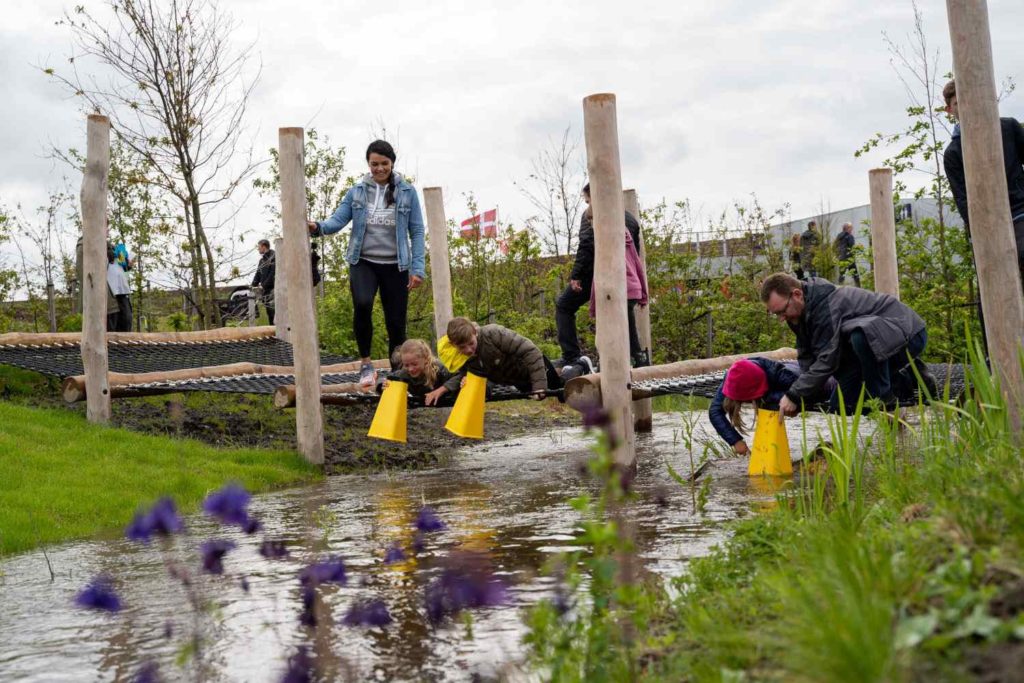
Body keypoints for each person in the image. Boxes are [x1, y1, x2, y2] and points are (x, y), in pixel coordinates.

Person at [308, 140, 426, 387]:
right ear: (368, 164)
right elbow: (337, 221)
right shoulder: (357, 192)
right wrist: (317, 227)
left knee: (395, 321)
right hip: (364, 262)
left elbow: (416, 231)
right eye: (374, 164)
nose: (379, 168)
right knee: (362, 304)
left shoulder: (407, 192)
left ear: (392, 163)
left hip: (396, 265)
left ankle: (397, 373)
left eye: (384, 163)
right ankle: (366, 364)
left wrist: (417, 268)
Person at [760, 273, 937, 415]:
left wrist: (794, 394)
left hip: (909, 335)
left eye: (782, 311)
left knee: (861, 335)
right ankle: (902, 379)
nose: (781, 318)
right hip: (870, 347)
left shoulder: (827, 305)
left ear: (797, 294)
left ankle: (888, 395)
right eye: (776, 314)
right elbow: (807, 356)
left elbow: (828, 360)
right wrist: (803, 397)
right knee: (842, 406)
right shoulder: (798, 311)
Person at [942, 78, 1024, 305]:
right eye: (959, 103)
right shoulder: (954, 153)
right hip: (987, 226)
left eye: (971, 98)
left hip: (1020, 212)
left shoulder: (1008, 128)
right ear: (949, 110)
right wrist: (981, 236)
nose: (967, 105)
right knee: (990, 296)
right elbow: (963, 200)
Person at [555, 182, 644, 378]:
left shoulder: (592, 215)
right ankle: (636, 356)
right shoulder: (630, 219)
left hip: (596, 275)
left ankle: (571, 356)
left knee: (564, 305)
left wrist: (576, 275)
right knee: (624, 313)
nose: (587, 205)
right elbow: (635, 256)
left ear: (595, 197)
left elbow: (586, 245)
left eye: (588, 200)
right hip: (624, 278)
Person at [429, 317, 569, 404]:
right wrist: (465, 380)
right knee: (536, 394)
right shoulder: (461, 358)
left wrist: (539, 386)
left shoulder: (493, 334)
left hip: (532, 366)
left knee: (560, 390)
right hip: (517, 381)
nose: (468, 350)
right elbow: (476, 374)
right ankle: (562, 369)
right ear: (454, 345)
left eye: (471, 343)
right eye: (462, 347)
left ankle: (578, 366)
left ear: (474, 332)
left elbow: (530, 351)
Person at [576, 219, 648, 380]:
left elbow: (598, 279)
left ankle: (626, 361)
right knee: (626, 327)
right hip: (633, 288)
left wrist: (594, 307)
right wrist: (643, 294)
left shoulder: (604, 242)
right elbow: (637, 264)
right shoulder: (626, 237)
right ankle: (637, 358)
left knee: (613, 330)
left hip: (619, 291)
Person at [709, 358, 798, 455]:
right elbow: (715, 411)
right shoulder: (733, 376)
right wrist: (735, 441)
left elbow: (803, 392)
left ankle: (774, 454)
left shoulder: (783, 376)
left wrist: (791, 402)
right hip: (766, 379)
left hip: (801, 373)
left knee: (771, 403)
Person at [382, 339, 453, 405]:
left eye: (414, 364)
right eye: (406, 365)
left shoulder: (437, 368)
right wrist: (384, 385)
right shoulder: (404, 373)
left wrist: (440, 391)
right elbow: (385, 378)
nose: (410, 369)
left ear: (425, 358)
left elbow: (458, 376)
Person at [106, 243, 132, 332]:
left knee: (126, 320)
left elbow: (125, 266)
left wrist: (127, 263)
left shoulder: (116, 249)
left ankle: (124, 344)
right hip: (110, 294)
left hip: (122, 291)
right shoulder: (96, 247)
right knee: (111, 325)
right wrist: (105, 256)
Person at [251, 239, 276, 325]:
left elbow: (273, 274)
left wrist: (263, 286)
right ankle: (272, 332)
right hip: (265, 291)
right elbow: (258, 274)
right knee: (269, 312)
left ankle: (277, 332)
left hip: (273, 289)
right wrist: (252, 285)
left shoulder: (274, 257)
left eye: (259, 247)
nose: (258, 249)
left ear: (264, 246)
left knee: (274, 312)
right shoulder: (262, 261)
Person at [834, 222, 860, 286]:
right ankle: (859, 288)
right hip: (849, 258)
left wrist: (838, 255)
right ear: (847, 228)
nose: (852, 230)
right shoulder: (849, 236)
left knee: (842, 275)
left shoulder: (838, 237)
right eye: (851, 228)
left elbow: (834, 247)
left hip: (841, 259)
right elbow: (852, 247)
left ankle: (840, 289)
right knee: (855, 275)